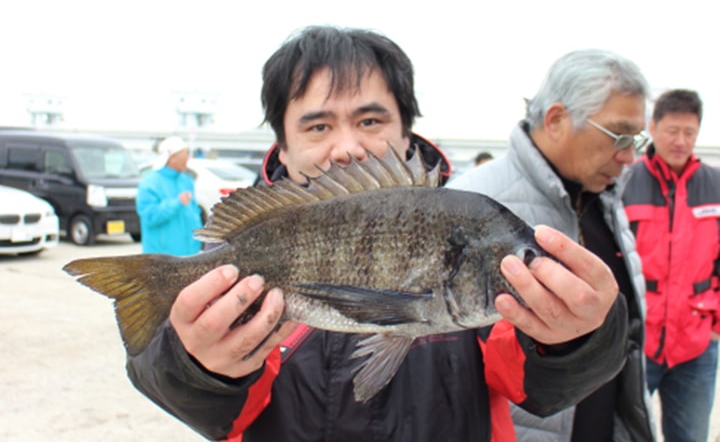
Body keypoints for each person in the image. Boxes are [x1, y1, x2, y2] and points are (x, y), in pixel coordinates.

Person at [126, 27, 629, 441]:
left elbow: (537, 387)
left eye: (370, 119)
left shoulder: (472, 233)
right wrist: (197, 368)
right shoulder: (244, 253)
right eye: (318, 127)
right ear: (280, 147)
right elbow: (213, 415)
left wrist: (578, 339)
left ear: (406, 133)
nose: (347, 147)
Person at [448, 49, 656, 441]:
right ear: (557, 119)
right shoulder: (467, 205)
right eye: (620, 135)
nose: (629, 156)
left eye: (637, 139)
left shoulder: (606, 199)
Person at [623, 89, 720, 442]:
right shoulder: (625, 182)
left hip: (697, 345)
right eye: (672, 130)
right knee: (625, 434)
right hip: (637, 341)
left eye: (690, 133)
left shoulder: (715, 186)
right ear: (653, 126)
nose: (681, 141)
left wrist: (715, 325)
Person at [135, 136, 202, 256]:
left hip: (190, 255)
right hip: (161, 258)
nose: (188, 158)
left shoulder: (186, 181)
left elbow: (194, 214)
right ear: (172, 158)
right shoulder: (150, 183)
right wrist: (177, 202)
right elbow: (149, 217)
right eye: (185, 153)